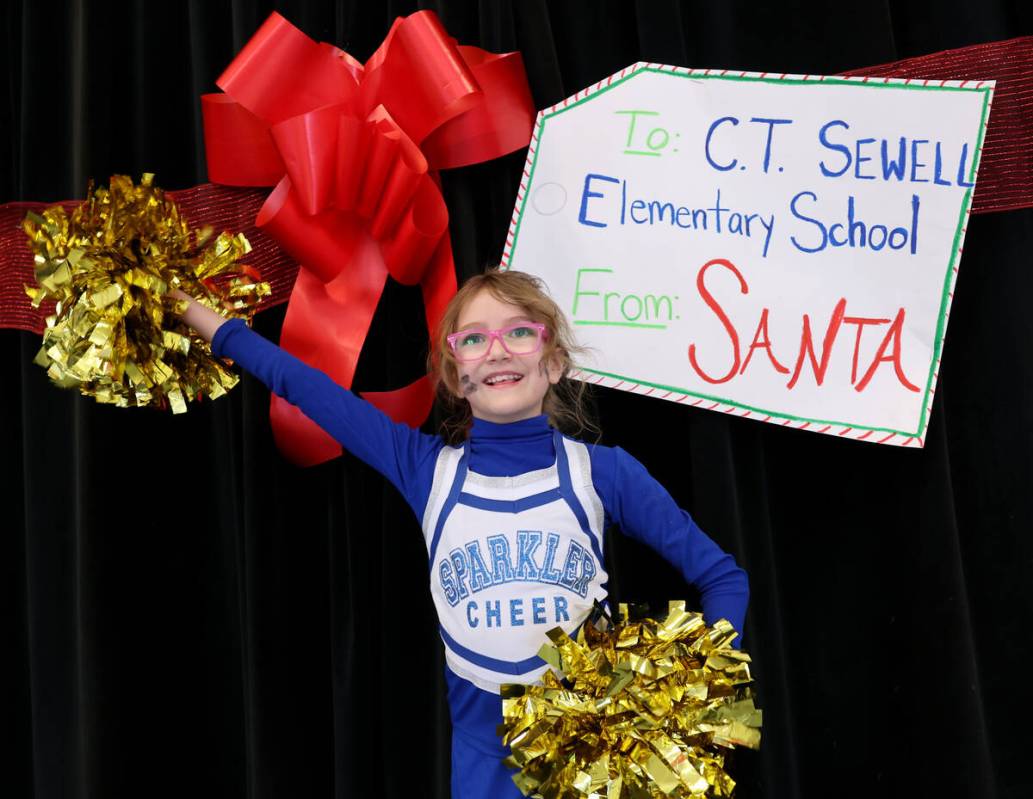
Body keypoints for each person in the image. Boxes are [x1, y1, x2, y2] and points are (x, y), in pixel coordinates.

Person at [175, 268, 749, 798]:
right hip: (482, 770)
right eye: (473, 339)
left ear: (553, 362)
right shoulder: (425, 469)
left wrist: (678, 691)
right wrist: (203, 318)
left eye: (519, 333)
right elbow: (302, 384)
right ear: (455, 376)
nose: (497, 350)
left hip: (589, 770)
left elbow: (724, 579)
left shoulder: (603, 472)